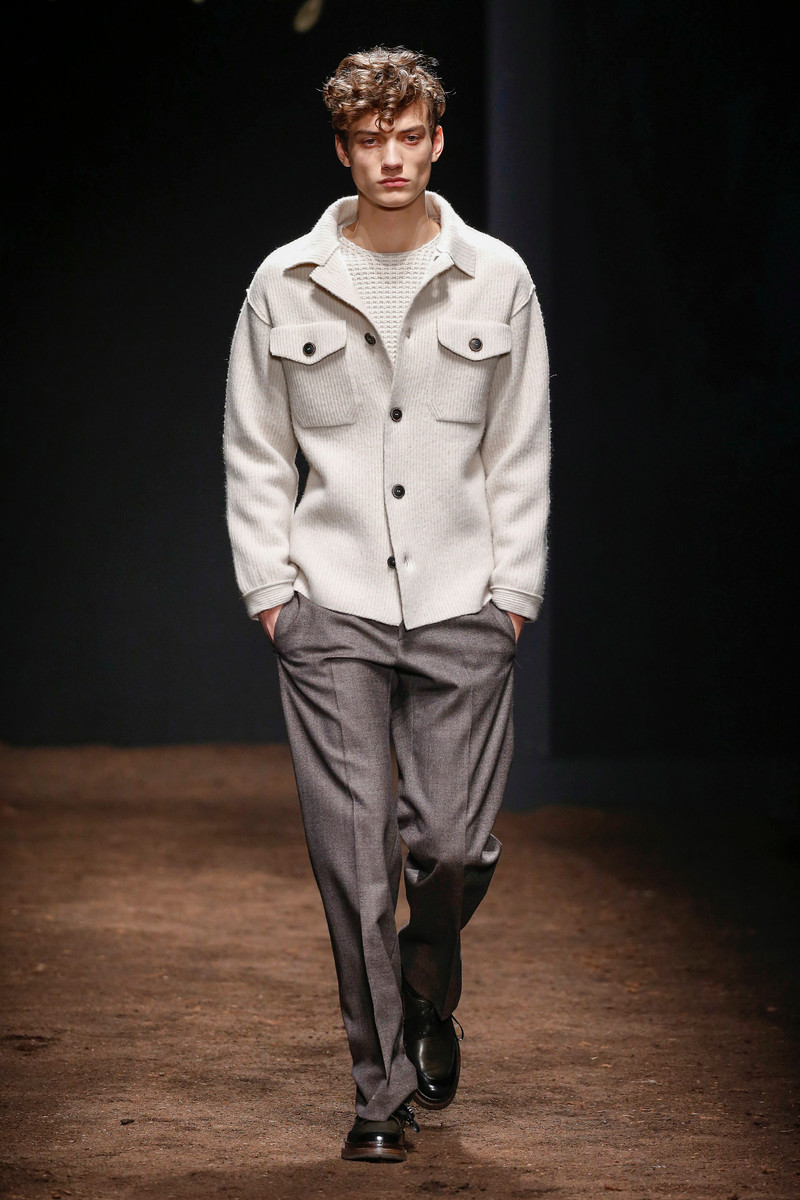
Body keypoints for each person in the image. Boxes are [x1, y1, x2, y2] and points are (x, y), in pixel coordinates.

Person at [223, 45, 550, 1163]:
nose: (392, 157)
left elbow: (519, 445)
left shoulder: (497, 277)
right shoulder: (284, 281)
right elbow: (255, 447)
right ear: (343, 149)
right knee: (353, 862)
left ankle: (425, 982)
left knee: (450, 846)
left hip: (465, 599)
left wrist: (513, 592)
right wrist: (273, 593)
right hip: (332, 602)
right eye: (370, 140)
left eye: (409, 136)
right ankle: (379, 1093)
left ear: (438, 140)